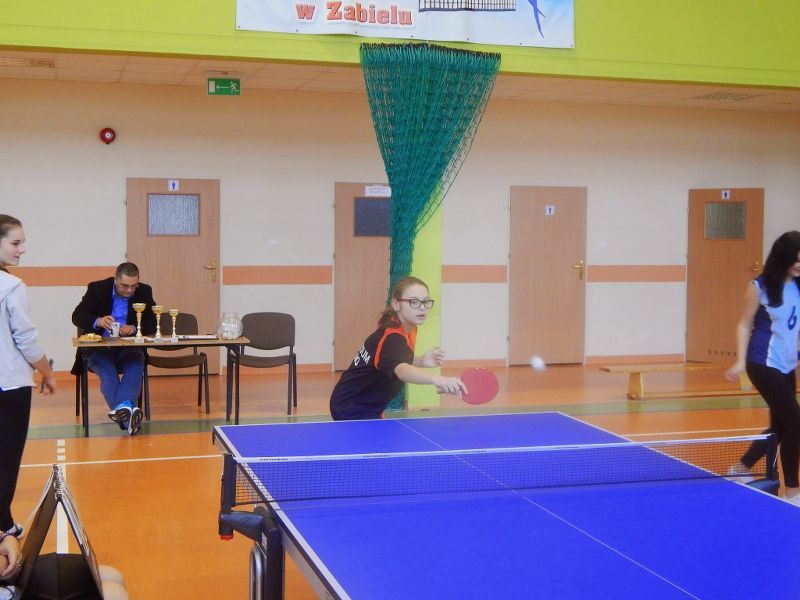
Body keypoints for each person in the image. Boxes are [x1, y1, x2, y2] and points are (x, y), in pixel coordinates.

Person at [725, 231, 800, 505]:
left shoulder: (798, 285)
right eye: (796, 260)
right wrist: (740, 360)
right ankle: (792, 491)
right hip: (762, 362)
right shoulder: (759, 286)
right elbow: (744, 323)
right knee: (795, 424)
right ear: (783, 257)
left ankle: (740, 468)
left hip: (787, 364)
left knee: (780, 426)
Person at [330, 276, 467, 420]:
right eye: (414, 302)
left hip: (370, 404)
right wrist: (438, 379)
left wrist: (420, 361)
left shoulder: (407, 328)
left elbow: (390, 359)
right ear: (396, 304)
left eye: (425, 301)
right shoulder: (391, 337)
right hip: (352, 408)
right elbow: (402, 371)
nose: (422, 307)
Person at [0, 215, 57, 545]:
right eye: (15, 243)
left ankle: (5, 522)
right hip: (9, 385)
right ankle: (2, 527)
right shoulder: (12, 287)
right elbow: (26, 340)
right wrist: (47, 372)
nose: (22, 249)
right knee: (6, 459)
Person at [71, 262, 156, 435]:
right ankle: (128, 419)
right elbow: (77, 316)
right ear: (116, 280)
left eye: (133, 286)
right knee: (108, 371)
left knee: (136, 366)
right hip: (99, 347)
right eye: (125, 286)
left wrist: (134, 328)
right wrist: (98, 321)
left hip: (128, 346)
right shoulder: (97, 289)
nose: (129, 291)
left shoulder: (144, 291)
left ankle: (124, 414)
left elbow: (153, 321)